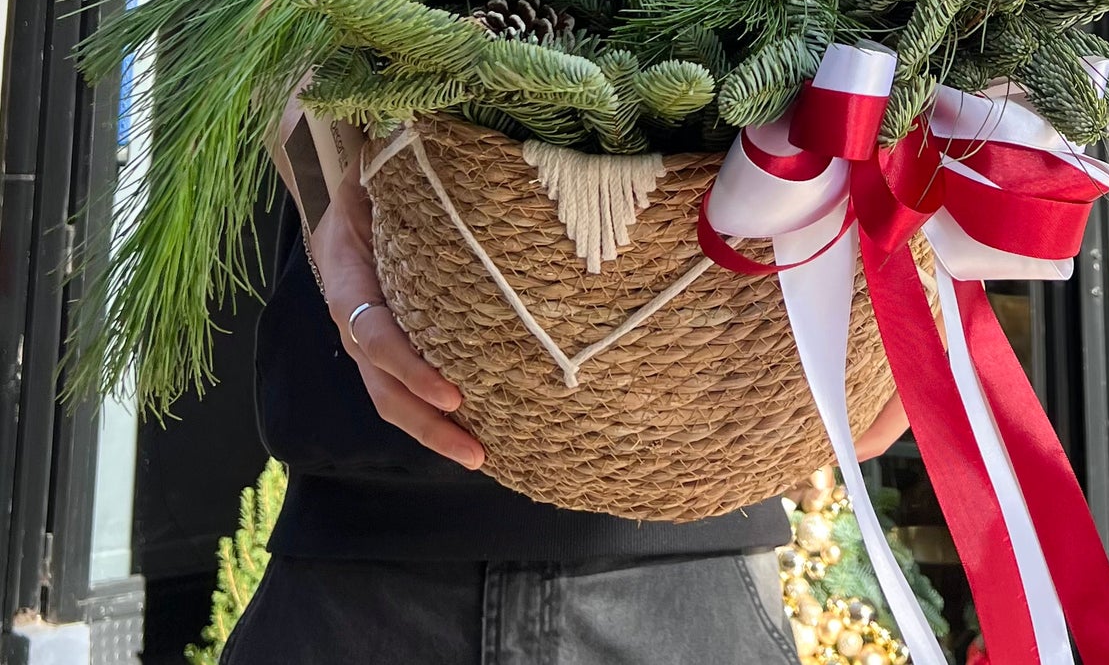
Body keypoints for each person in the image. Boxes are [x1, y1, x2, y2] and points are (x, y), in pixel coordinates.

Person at [218, 95, 906, 663]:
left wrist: (926, 303)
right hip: (361, 563)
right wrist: (326, 208)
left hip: (691, 569)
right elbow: (254, 8)